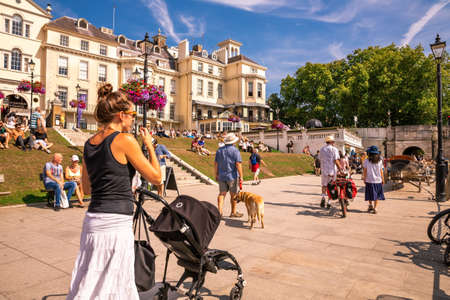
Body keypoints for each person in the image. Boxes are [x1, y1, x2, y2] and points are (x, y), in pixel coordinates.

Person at [67, 84, 161, 299]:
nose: (134, 119)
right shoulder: (125, 140)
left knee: (90, 279)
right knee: (115, 282)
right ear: (121, 115)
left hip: (93, 220)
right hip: (116, 221)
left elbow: (88, 188)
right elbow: (156, 178)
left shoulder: (89, 143)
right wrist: (150, 146)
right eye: (132, 114)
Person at [214, 132, 243, 217]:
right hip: (232, 176)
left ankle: (219, 212)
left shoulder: (219, 150)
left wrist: (216, 174)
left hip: (221, 176)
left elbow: (216, 163)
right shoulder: (235, 151)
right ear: (233, 141)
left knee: (222, 194)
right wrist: (241, 176)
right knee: (233, 194)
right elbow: (238, 164)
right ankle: (233, 212)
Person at [319, 135, 342, 208]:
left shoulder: (322, 149)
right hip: (332, 171)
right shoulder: (334, 149)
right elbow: (336, 160)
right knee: (331, 186)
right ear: (332, 142)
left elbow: (320, 159)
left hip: (324, 170)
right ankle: (329, 201)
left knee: (324, 185)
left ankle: (323, 197)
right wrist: (340, 168)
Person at [363, 146, 385, 214]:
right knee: (377, 195)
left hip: (369, 180)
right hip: (378, 180)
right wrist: (383, 179)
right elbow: (381, 171)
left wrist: (364, 178)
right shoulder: (380, 161)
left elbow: (365, 170)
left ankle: (370, 205)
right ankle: (375, 208)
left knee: (369, 194)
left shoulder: (366, 161)